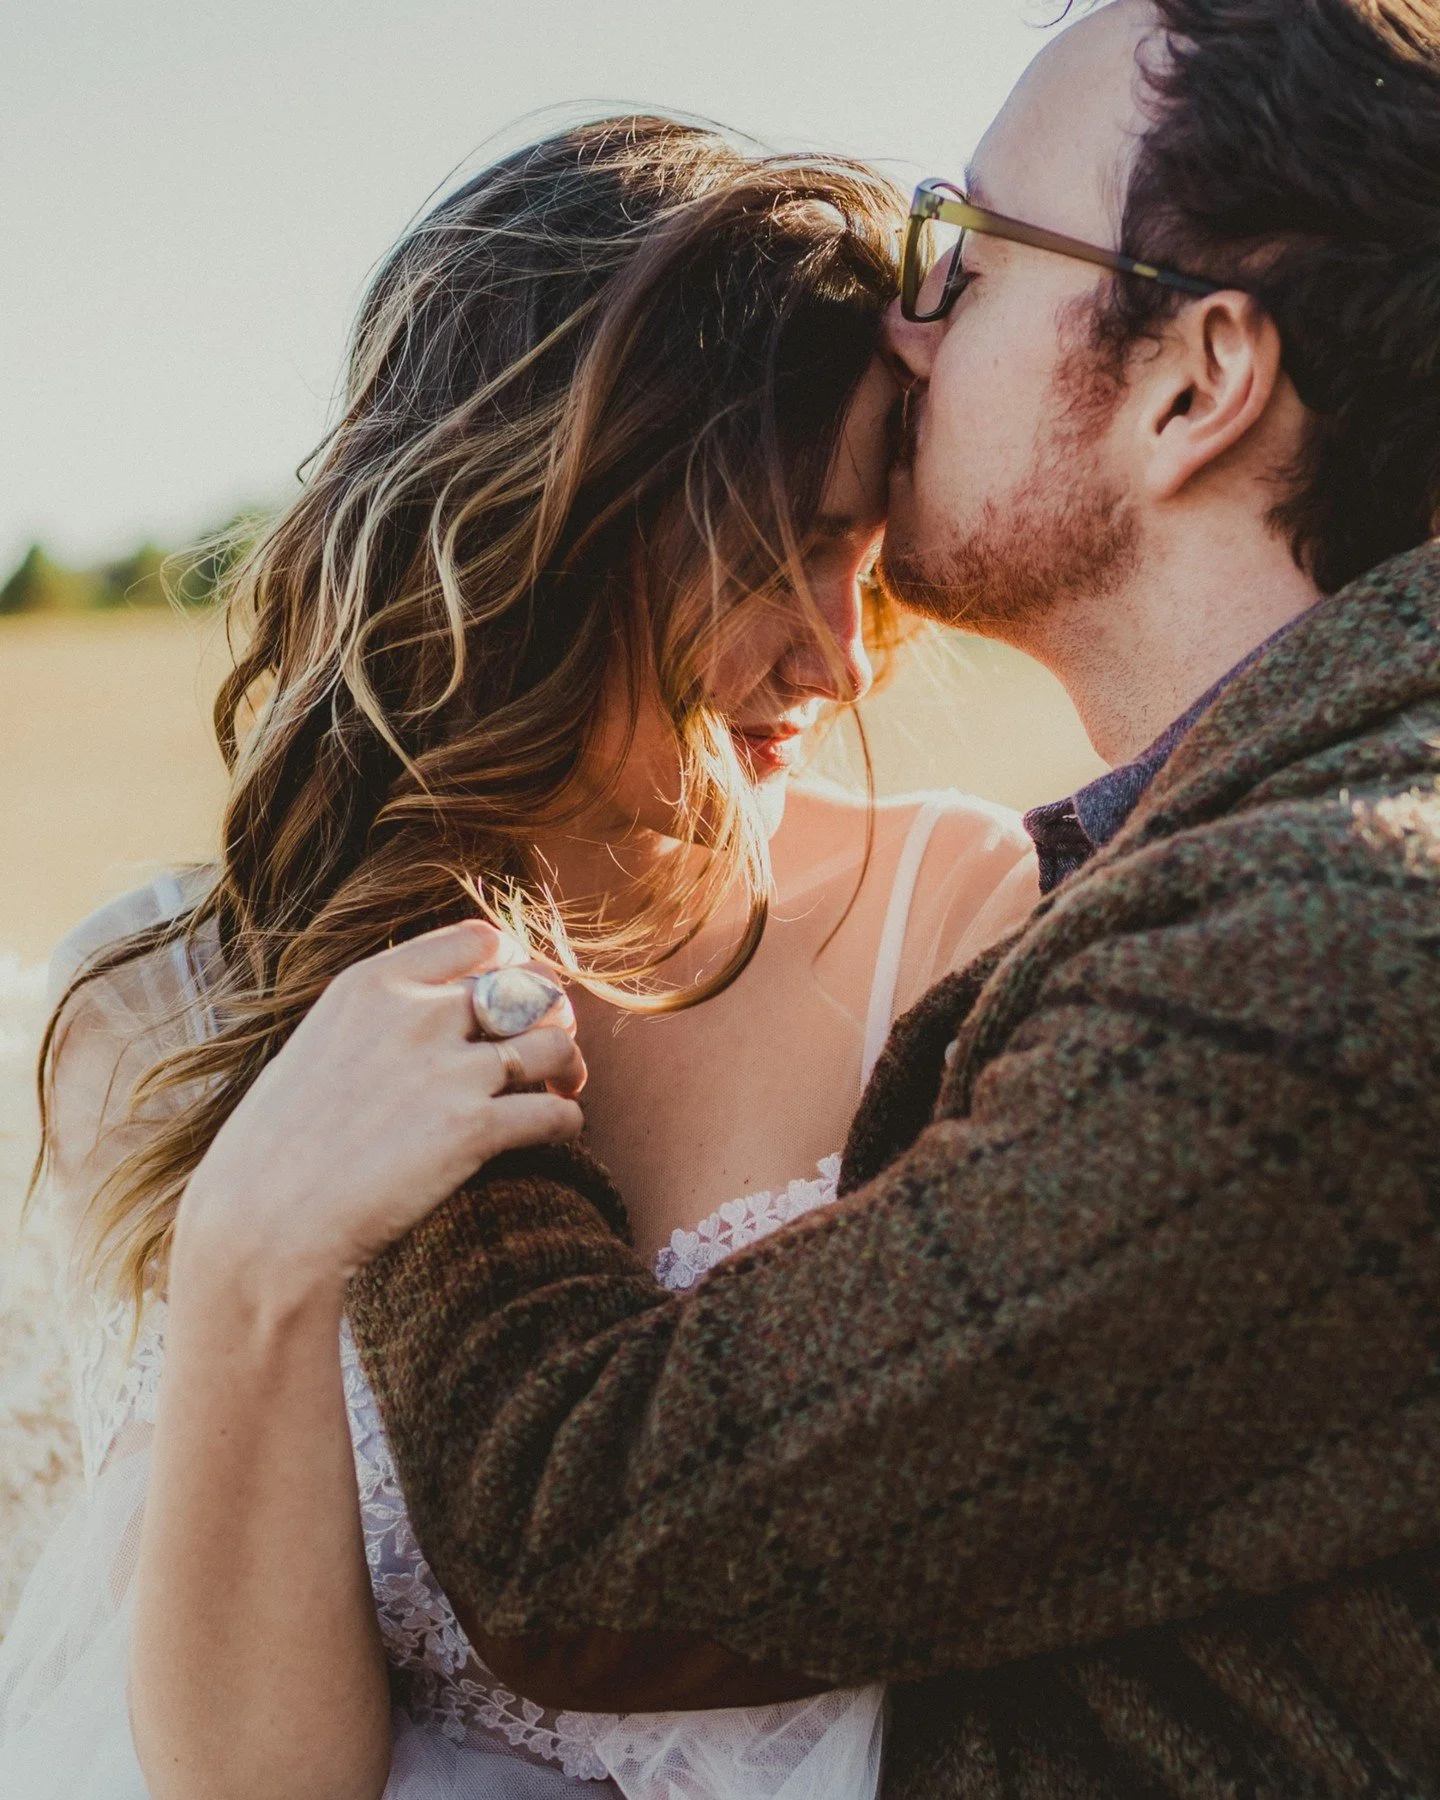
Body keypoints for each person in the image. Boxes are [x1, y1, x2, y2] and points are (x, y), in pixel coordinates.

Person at [139, 0, 1440, 1795]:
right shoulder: (1206, 859)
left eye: (976, 251)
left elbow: (571, 1525)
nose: (915, 315)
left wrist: (422, 947)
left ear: (1196, 378)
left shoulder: (1321, 951)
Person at [0, 119, 1038, 1800]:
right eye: (775, 548)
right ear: (549, 525)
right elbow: (262, 1781)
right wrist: (254, 1249)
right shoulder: (165, 998)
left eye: (865, 547)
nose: (843, 652)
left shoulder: (949, 914)